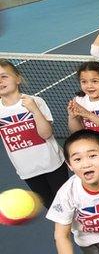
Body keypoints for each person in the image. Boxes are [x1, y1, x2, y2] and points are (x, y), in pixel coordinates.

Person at [0, 59, 67, 209]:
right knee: (51, 207)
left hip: (52, 164)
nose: (0, 81)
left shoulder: (35, 101)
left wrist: (35, 110)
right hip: (27, 170)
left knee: (67, 203)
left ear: (18, 79)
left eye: (4, 76)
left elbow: (46, 134)